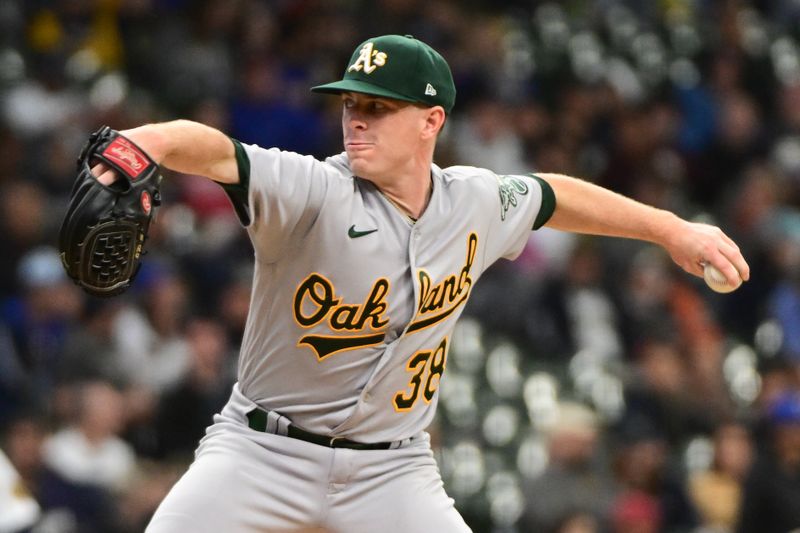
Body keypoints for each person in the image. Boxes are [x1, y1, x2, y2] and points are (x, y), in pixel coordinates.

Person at [90, 34, 750, 533]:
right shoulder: (315, 189)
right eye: (351, 103)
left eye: (377, 107)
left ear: (431, 122)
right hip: (263, 449)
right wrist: (140, 142)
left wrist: (670, 229)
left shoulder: (473, 200)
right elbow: (212, 150)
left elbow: (555, 195)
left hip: (390, 467)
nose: (356, 119)